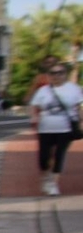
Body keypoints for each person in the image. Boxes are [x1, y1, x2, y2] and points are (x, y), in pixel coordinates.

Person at [29, 58, 82, 197]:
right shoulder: (43, 91)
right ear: (48, 75)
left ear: (65, 74)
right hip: (45, 128)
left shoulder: (74, 89)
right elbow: (35, 106)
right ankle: (46, 177)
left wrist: (81, 121)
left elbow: (79, 106)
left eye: (60, 72)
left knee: (59, 155)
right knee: (44, 158)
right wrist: (34, 117)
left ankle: (53, 183)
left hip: (65, 129)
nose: (56, 76)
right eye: (53, 73)